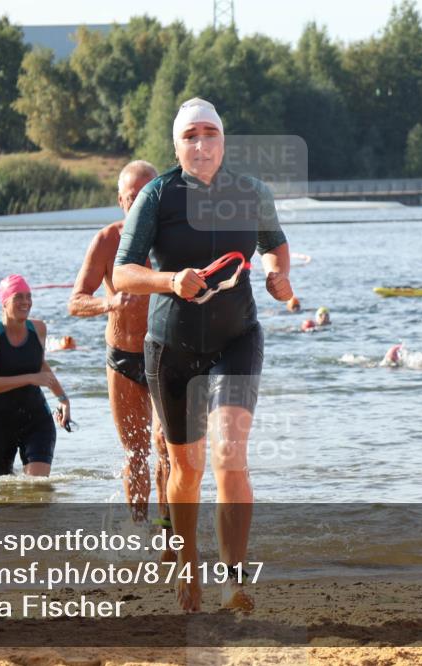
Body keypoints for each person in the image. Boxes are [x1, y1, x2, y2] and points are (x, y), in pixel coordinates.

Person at [113, 97, 293, 613]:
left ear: (223, 140)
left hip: (236, 338)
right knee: (186, 469)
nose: (201, 144)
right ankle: (188, 566)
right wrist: (170, 280)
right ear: (177, 145)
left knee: (229, 457)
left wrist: (280, 277)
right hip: (170, 346)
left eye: (209, 134)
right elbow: (124, 273)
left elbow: (275, 246)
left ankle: (235, 579)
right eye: (190, 136)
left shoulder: (251, 192)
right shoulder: (156, 195)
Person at [69, 160, 173, 531]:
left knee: (165, 446)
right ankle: (138, 530)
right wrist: (108, 303)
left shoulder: (173, 239)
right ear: (120, 200)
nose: (138, 206)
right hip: (122, 356)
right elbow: (76, 301)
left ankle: (168, 530)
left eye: (145, 197)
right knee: (136, 453)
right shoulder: (107, 240)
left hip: (166, 355)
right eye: (131, 198)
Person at [0, 275, 71, 477]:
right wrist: (29, 378)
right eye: (19, 297)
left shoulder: (39, 329)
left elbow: (39, 364)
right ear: (5, 301)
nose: (26, 302)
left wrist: (62, 398)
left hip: (35, 418)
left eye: (29, 296)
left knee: (38, 488)